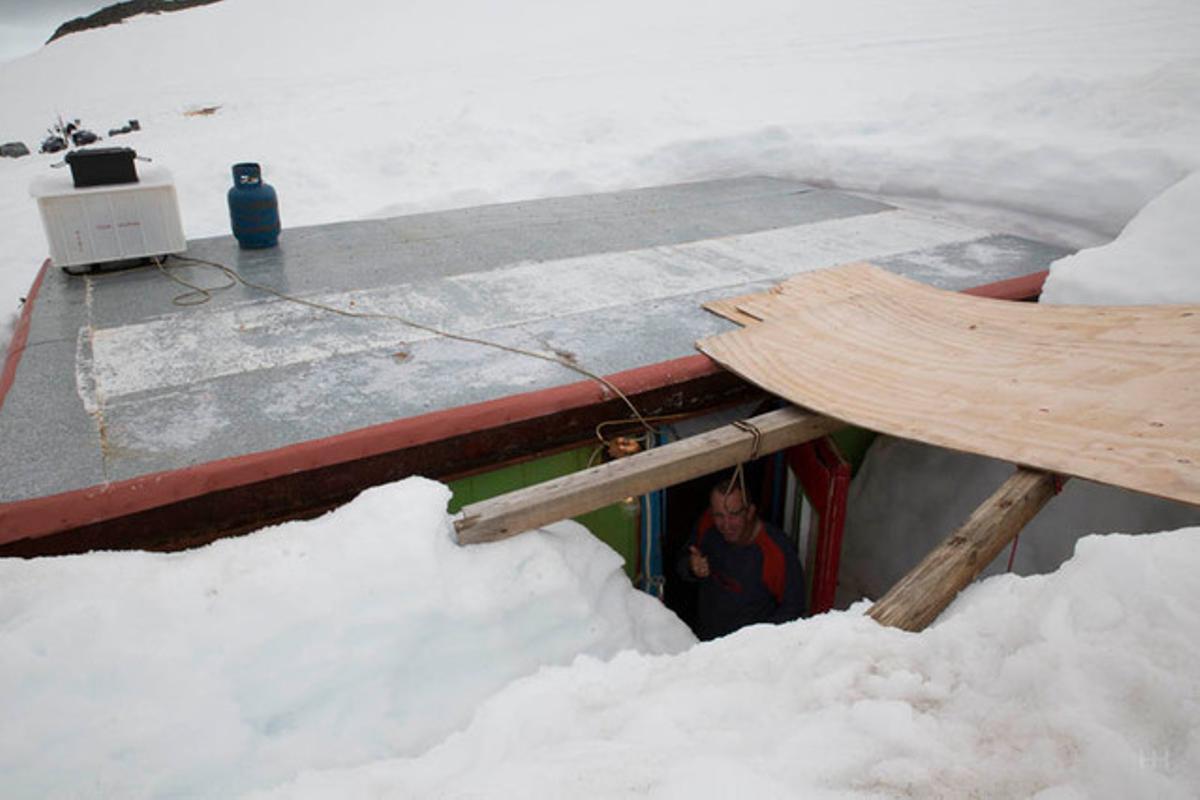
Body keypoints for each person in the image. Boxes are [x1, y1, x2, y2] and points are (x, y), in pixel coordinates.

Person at [677, 474, 807, 640]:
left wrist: (756, 644)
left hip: (745, 655)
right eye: (719, 515)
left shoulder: (776, 551)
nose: (726, 524)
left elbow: (793, 610)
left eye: (734, 514)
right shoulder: (707, 524)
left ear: (750, 511)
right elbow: (681, 563)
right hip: (704, 643)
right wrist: (691, 566)